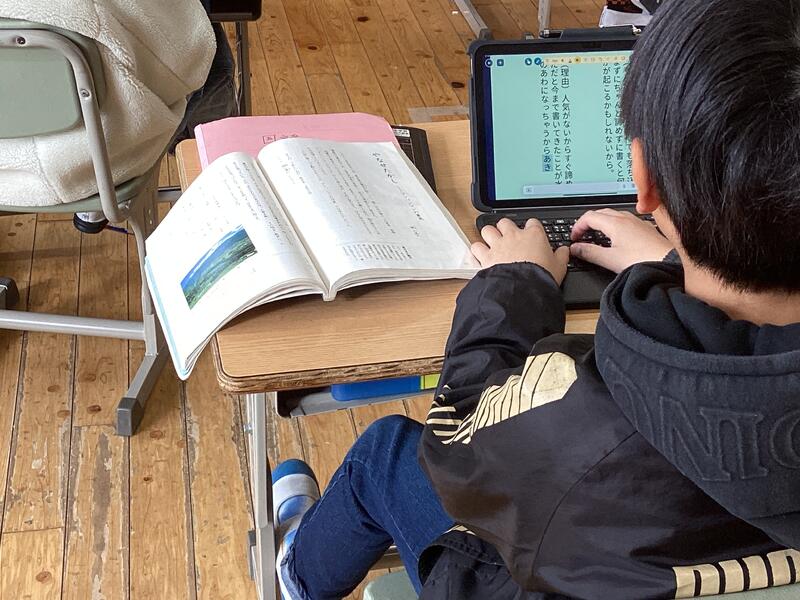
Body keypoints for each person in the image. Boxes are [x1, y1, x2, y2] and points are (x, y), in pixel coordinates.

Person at [272, 0, 800, 597]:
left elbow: (458, 437)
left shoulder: (586, 430)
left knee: (385, 454)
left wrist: (513, 281)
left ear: (643, 178)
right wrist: (672, 262)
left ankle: (295, 575)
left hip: (540, 575)